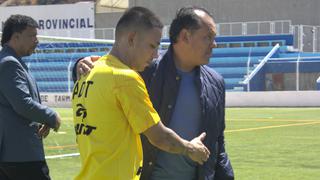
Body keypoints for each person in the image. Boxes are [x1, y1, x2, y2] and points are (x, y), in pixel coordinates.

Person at [75, 6, 234, 180]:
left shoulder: (91, 72)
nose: (155, 54)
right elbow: (159, 137)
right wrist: (190, 148)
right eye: (207, 37)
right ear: (132, 39)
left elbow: (218, 143)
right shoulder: (133, 75)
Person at [0, 15, 61, 180]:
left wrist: (43, 119)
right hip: (21, 155)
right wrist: (51, 116)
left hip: (13, 155)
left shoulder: (11, 61)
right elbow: (23, 104)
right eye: (32, 35)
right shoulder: (9, 63)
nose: (37, 40)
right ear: (16, 37)